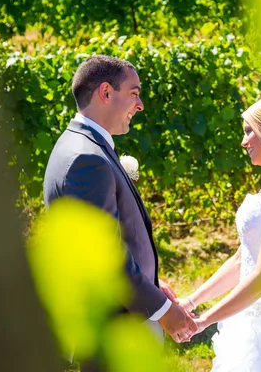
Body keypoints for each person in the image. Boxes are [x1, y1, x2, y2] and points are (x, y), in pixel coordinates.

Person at [43, 55, 197, 349]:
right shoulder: (85, 158)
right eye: (134, 94)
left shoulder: (81, 145)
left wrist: (152, 285)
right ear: (105, 92)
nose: (140, 106)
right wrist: (162, 310)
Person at [178, 94, 261, 371]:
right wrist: (192, 302)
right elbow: (243, 259)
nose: (243, 141)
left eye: (249, 130)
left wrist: (204, 321)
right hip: (249, 322)